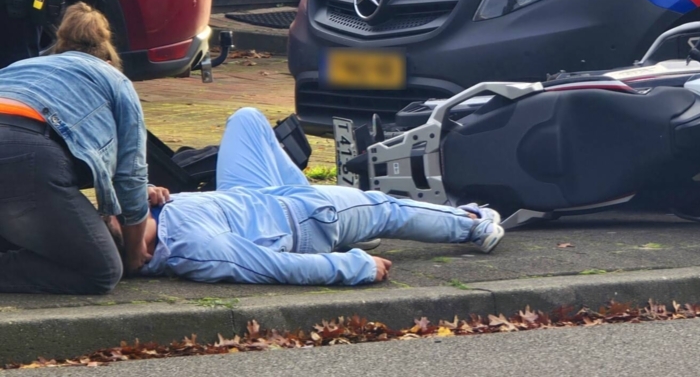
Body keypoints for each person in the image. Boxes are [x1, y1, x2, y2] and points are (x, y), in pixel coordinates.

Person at [134, 108, 505, 286]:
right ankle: (471, 225)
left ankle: (346, 220)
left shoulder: (149, 208)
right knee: (383, 207)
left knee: (246, 119)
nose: (117, 210)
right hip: (307, 219)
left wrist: (146, 194)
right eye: (120, 217)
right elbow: (274, 268)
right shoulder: (196, 249)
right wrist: (353, 268)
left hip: (254, 196)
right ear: (143, 254)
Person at [0, 3, 151, 294]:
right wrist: (134, 255)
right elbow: (131, 177)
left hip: (21, 155)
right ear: (108, 57)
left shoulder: (22, 65)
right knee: (103, 271)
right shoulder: (114, 80)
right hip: (26, 150)